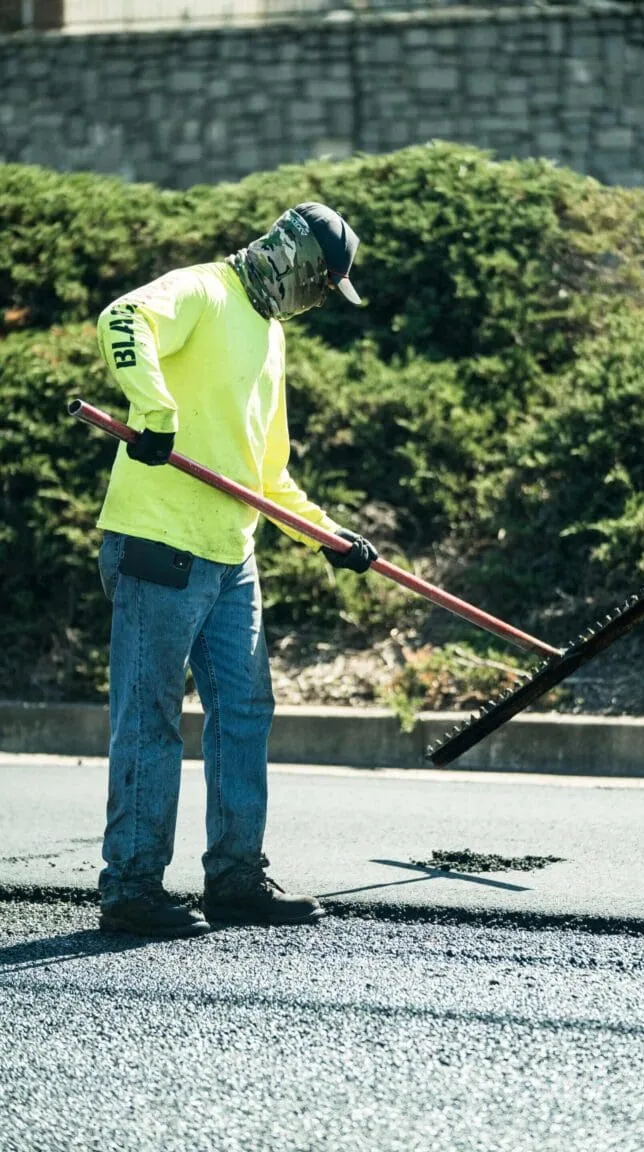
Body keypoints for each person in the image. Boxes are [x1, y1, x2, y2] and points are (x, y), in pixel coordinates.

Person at [94, 203, 377, 938]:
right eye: (321, 281)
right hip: (157, 543)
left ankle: (236, 879)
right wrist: (154, 409)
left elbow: (267, 472)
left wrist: (324, 535)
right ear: (291, 257)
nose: (318, 298)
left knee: (246, 711)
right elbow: (123, 318)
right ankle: (131, 887)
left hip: (231, 554)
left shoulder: (270, 335)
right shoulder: (202, 289)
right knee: (150, 717)